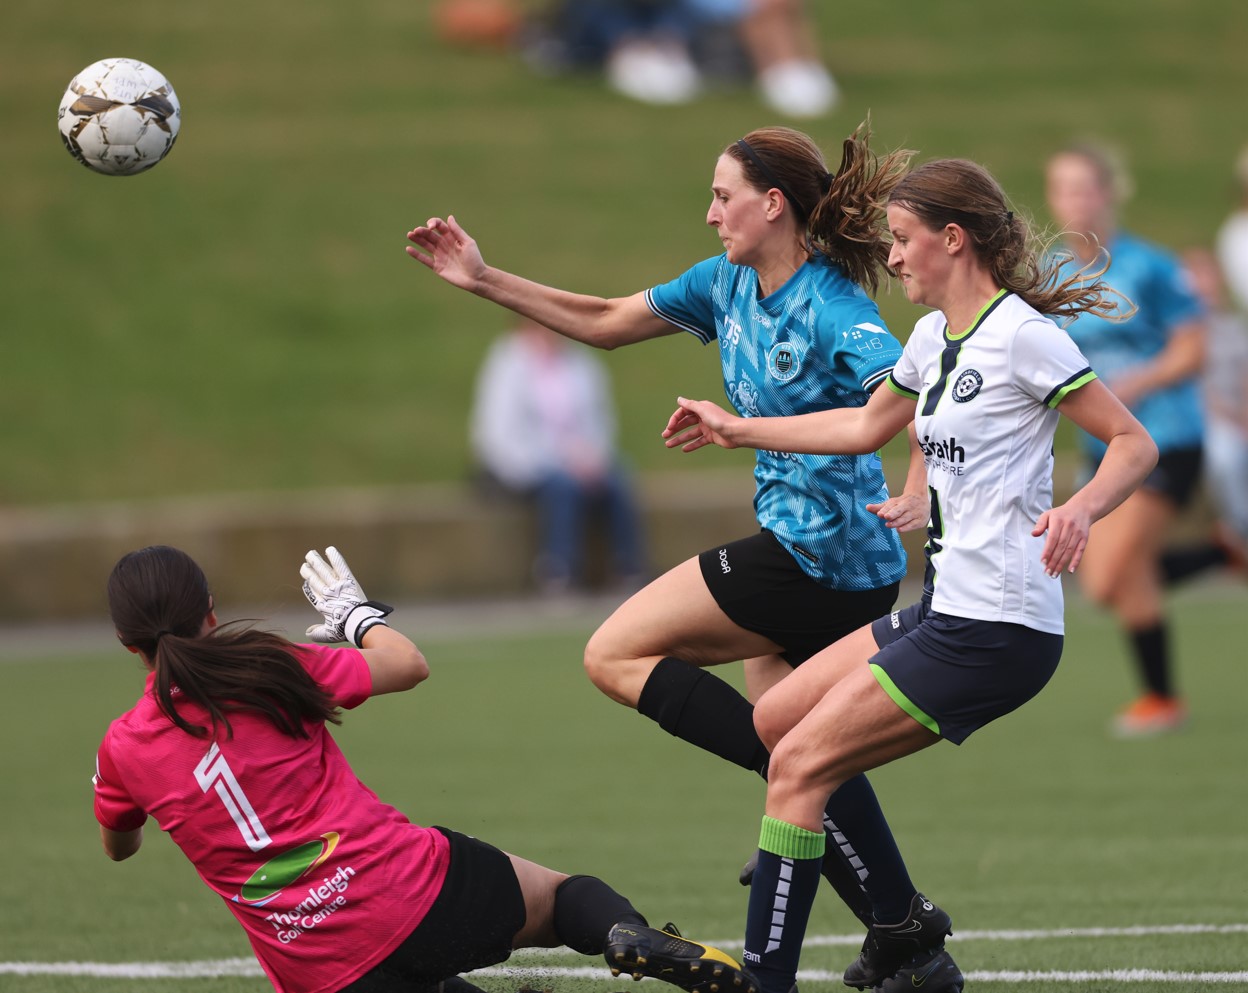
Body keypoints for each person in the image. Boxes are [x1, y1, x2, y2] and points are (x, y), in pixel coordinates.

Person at [406, 123, 953, 987]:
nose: (709, 214)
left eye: (722, 195)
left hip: (824, 561)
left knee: (615, 651)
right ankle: (906, 930)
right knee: (811, 745)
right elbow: (606, 321)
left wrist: (919, 485)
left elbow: (917, 388)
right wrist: (482, 278)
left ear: (773, 204)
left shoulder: (833, 306)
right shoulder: (726, 283)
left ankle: (815, 820)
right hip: (812, 557)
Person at [662, 157, 1159, 993]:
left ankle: (770, 976)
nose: (890, 259)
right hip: (943, 611)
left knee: (798, 771)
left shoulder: (1024, 337)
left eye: (902, 240)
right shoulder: (932, 340)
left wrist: (1082, 508)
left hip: (999, 629)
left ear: (952, 240)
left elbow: (1134, 442)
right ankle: (902, 935)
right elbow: (866, 427)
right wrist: (737, 428)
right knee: (777, 721)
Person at [92, 544, 755, 993]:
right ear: (210, 609)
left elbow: (119, 845)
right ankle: (623, 934)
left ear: (127, 643)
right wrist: (355, 617)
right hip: (411, 890)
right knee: (559, 898)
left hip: (323, 973)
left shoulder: (123, 750)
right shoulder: (267, 665)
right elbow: (407, 663)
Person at [1045, 142, 1208, 737]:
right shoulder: (1051, 276)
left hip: (1165, 439)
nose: (1075, 201)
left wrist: (1143, 378)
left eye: (1085, 188)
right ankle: (1162, 698)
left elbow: (1194, 348)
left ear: (1109, 192)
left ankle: (1221, 551)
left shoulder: (1153, 266)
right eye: (1063, 189)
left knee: (1108, 575)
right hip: (1103, 448)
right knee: (1121, 572)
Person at [470, 316, 648, 595]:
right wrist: (558, 461)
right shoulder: (507, 363)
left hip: (580, 461)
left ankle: (628, 568)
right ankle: (558, 570)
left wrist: (593, 457)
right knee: (563, 487)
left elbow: (600, 420)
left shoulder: (580, 363)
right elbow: (499, 433)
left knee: (617, 479)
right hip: (524, 464)